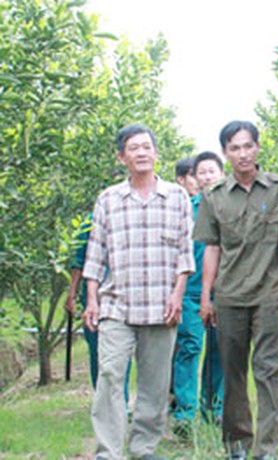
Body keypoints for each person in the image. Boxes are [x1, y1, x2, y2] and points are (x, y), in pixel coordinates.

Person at [193, 121, 278, 460]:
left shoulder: (277, 189)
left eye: (247, 146)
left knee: (269, 371)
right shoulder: (214, 198)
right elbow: (212, 248)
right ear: (226, 154)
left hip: (269, 295)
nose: (242, 154)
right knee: (233, 371)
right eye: (234, 148)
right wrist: (206, 296)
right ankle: (238, 444)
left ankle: (267, 448)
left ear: (257, 148)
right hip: (229, 297)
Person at [83, 124, 194, 460]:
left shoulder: (177, 197)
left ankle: (144, 448)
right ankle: (108, 451)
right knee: (110, 374)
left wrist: (177, 295)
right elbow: (95, 252)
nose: (142, 153)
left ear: (156, 154)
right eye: (134, 148)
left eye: (147, 147)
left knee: (155, 383)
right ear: (122, 157)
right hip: (116, 305)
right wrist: (91, 298)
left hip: (162, 306)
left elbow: (185, 254)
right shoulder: (108, 199)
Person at [171, 154, 225, 433]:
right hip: (191, 292)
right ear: (194, 177)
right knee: (190, 348)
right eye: (200, 172)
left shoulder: (231, 208)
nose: (206, 177)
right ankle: (184, 413)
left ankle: (216, 408)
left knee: (221, 351)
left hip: (224, 293)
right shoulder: (186, 210)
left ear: (222, 174)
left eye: (211, 171)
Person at [64, 213, 131, 405]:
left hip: (122, 293)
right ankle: (103, 398)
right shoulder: (90, 222)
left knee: (121, 346)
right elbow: (79, 262)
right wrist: (72, 294)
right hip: (95, 295)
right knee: (97, 348)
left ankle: (121, 401)